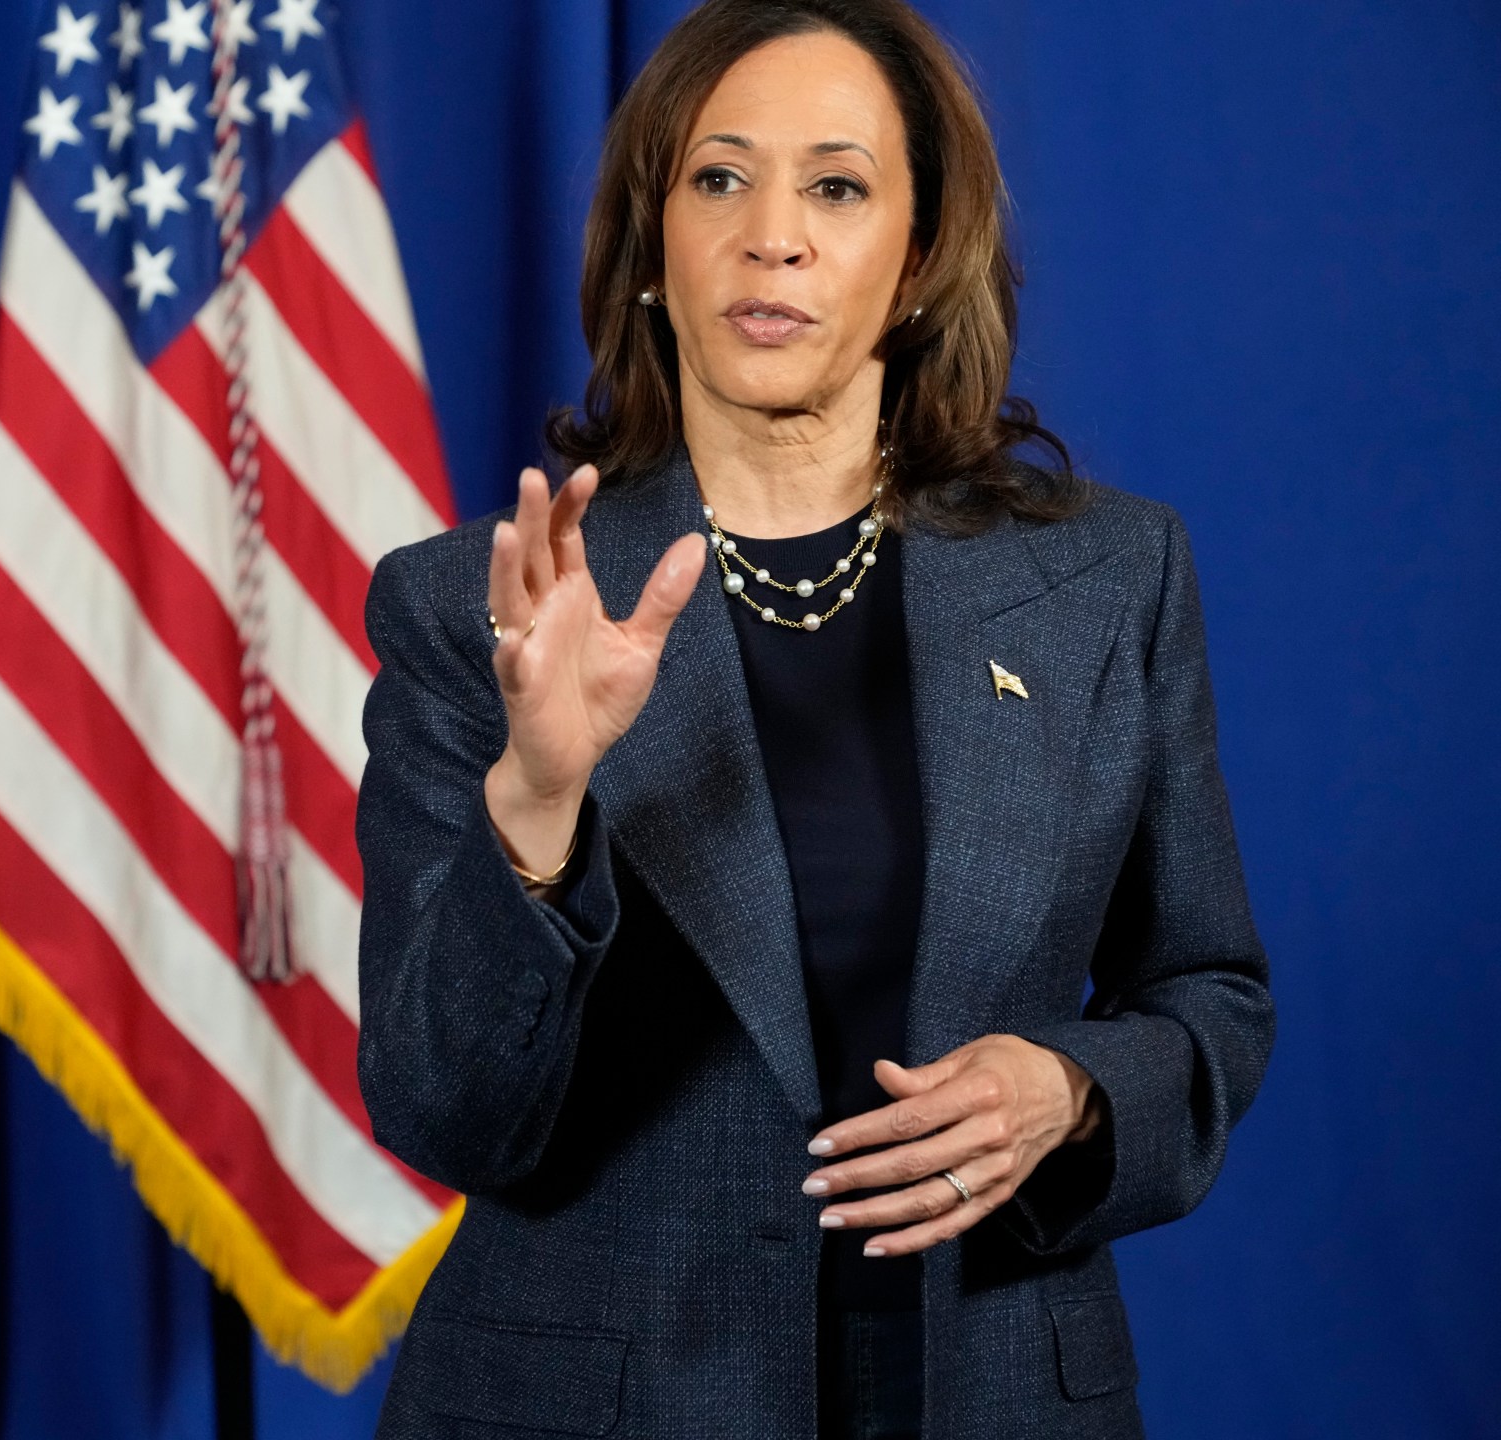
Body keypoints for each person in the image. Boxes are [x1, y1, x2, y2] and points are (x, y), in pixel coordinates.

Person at [354, 1, 1275, 1435]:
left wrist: (1072, 1089)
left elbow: (1210, 993)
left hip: (990, 1386)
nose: (770, 234)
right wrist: (536, 803)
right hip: (601, 1401)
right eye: (718, 178)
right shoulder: (480, 611)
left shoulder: (1109, 579)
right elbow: (444, 1111)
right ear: (653, 246)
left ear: (916, 262)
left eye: (836, 186)